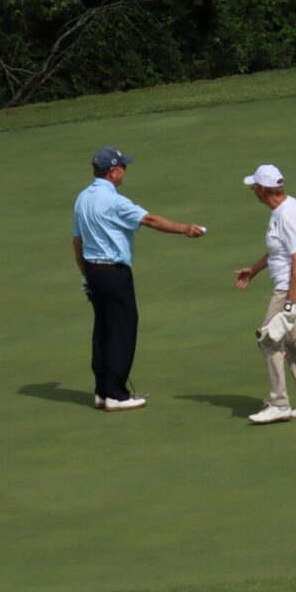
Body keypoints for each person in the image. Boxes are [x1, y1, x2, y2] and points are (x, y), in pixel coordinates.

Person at [73, 146, 206, 413]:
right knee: (122, 329)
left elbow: (78, 242)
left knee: (103, 330)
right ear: (113, 172)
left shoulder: (82, 198)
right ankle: (116, 395)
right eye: (123, 166)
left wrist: (86, 275)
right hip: (114, 272)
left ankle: (102, 392)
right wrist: (184, 229)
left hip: (93, 271)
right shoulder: (115, 201)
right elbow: (150, 220)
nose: (125, 170)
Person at [235, 164, 296, 425]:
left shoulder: (286, 214)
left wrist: (289, 302)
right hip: (295, 283)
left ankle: (279, 404)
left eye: (255, 187)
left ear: (264, 189)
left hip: (289, 286)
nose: (253, 191)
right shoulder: (286, 209)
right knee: (295, 341)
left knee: (268, 338)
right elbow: (280, 250)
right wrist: (254, 269)